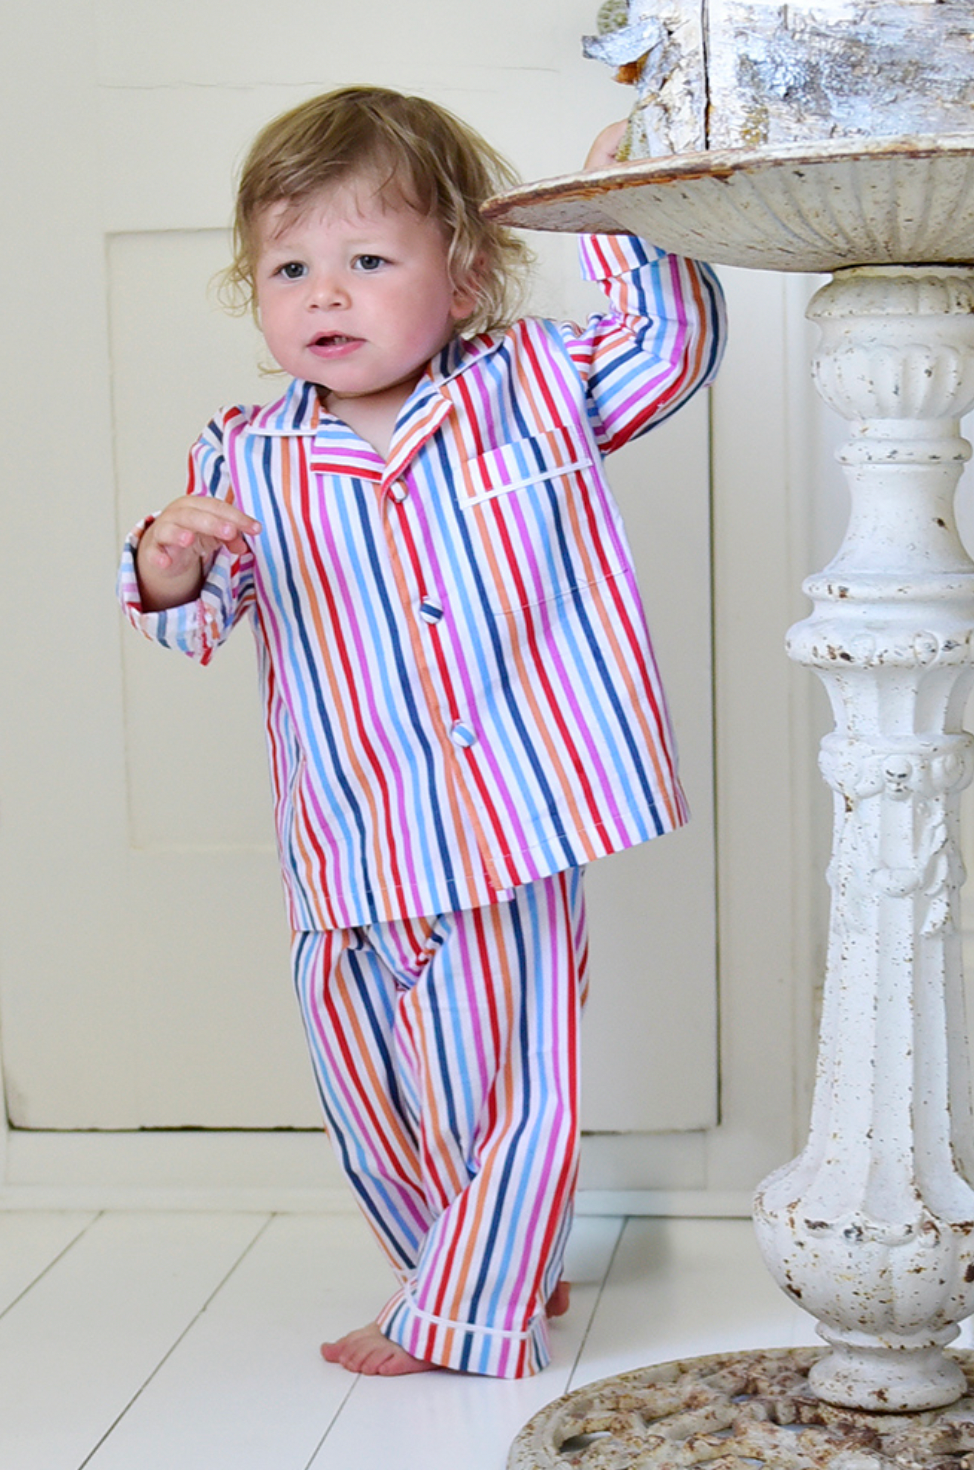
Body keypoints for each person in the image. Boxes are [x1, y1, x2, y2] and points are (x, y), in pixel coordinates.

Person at [118, 86, 724, 1378]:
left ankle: (465, 1311)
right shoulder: (244, 455)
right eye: (290, 267)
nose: (323, 294)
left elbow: (668, 345)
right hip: (348, 835)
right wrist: (169, 558)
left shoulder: (533, 387)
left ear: (471, 274)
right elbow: (194, 613)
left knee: (507, 1081)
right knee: (373, 1093)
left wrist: (623, 205)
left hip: (511, 818)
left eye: (369, 259)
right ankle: (476, 1265)